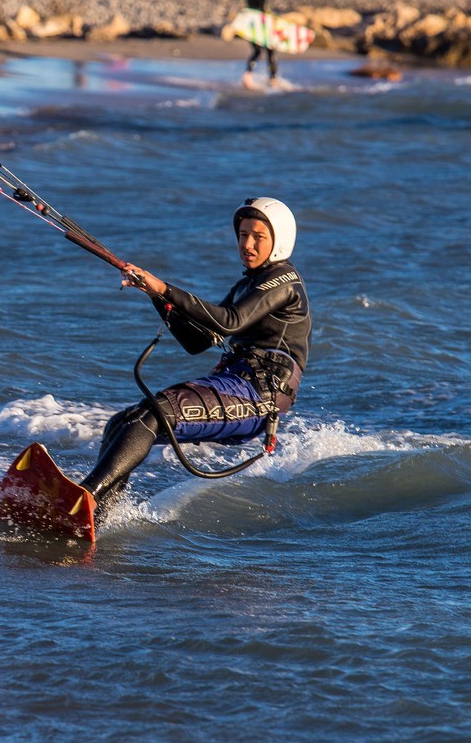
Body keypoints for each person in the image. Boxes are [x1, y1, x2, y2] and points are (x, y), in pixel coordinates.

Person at [79, 198, 310, 517]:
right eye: (243, 235)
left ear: (279, 241)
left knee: (154, 413)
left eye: (258, 236)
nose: (247, 244)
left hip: (261, 396)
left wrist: (164, 287)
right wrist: (156, 295)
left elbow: (229, 322)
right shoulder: (247, 285)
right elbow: (198, 340)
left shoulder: (284, 280)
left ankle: (85, 497)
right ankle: (97, 515)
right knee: (122, 423)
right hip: (236, 383)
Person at [242, 0, 277, 85]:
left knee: (258, 50)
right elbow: (263, 6)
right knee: (268, 50)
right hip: (262, 23)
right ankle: (273, 78)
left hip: (251, 22)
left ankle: (248, 75)